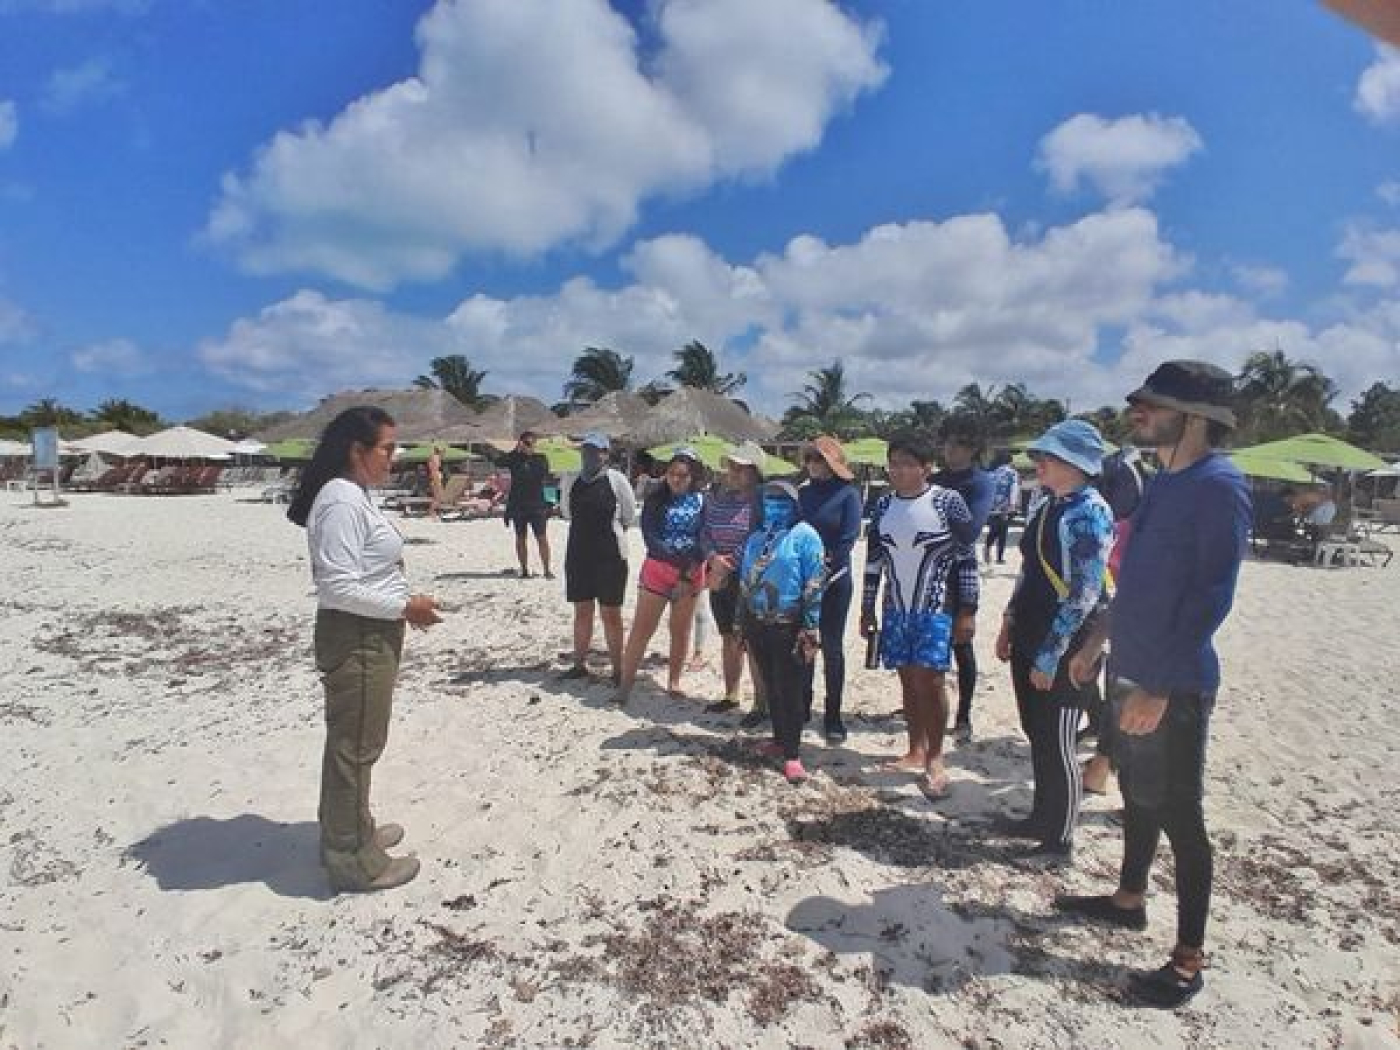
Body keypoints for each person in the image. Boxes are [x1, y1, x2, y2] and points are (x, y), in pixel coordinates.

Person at [1057, 360, 1252, 1009]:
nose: (1136, 411)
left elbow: (1211, 597)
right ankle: (1128, 898)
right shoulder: (1163, 483)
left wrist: (1160, 686)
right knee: (1138, 797)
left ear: (1194, 417)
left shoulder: (1218, 484)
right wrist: (1098, 638)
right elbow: (1136, 581)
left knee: (1182, 817)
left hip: (1176, 683)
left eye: (1151, 404)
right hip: (1130, 668)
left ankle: (1188, 963)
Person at [286, 406, 443, 894]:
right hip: (356, 634)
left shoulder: (353, 495)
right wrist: (404, 606)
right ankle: (352, 859)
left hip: (367, 631)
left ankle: (351, 830)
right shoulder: (339, 500)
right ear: (357, 450)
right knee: (355, 746)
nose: (393, 458)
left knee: (357, 742)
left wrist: (400, 608)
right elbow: (336, 587)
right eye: (386, 449)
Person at [993, 420, 1114, 865]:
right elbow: (1029, 571)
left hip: (1069, 645)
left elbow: (1084, 594)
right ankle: (1041, 819)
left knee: (1060, 740)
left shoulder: (1090, 511)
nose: (1038, 463)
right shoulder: (1047, 505)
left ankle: (1059, 840)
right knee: (1037, 733)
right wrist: (1009, 621)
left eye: (1049, 457)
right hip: (1031, 632)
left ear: (1075, 464)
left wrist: (1050, 654)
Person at [860, 431, 978, 799]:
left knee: (932, 681)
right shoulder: (882, 505)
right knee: (907, 679)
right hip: (896, 606)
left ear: (927, 467)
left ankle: (936, 757)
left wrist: (967, 610)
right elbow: (874, 560)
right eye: (893, 463)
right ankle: (915, 749)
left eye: (907, 464)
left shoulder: (947, 502)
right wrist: (866, 606)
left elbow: (967, 558)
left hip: (935, 606)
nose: (898, 470)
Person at [736, 480, 825, 784]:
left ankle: (793, 754)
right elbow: (745, 583)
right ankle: (777, 739)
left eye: (782, 501)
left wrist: (811, 626)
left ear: (795, 504)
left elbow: (814, 583)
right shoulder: (755, 538)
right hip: (758, 622)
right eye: (770, 500)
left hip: (790, 624)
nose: (775, 506)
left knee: (790, 690)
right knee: (770, 684)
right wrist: (741, 624)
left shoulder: (805, 536)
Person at [616, 449, 708, 703]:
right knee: (642, 630)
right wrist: (677, 563)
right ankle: (625, 685)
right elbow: (651, 537)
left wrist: (688, 570)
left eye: (683, 475)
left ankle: (674, 681)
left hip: (691, 573)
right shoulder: (655, 498)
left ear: (692, 477)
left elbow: (705, 537)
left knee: (680, 630)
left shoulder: (702, 501)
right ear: (666, 475)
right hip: (659, 570)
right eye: (672, 474)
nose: (677, 480)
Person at [932, 416, 995, 743]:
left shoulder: (981, 482)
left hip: (961, 572)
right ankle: (933, 702)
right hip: (930, 572)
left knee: (962, 643)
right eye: (946, 442)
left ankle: (964, 713)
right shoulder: (936, 478)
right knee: (932, 646)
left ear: (972, 449)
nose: (949, 449)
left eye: (957, 444)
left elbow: (970, 530)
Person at [798, 436, 863, 744]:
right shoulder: (803, 494)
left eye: (819, 460)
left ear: (833, 464)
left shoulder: (848, 494)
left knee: (833, 649)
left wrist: (825, 570)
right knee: (805, 642)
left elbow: (848, 539)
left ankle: (834, 714)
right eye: (810, 459)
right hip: (804, 579)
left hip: (836, 580)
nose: (813, 465)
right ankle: (803, 704)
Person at [559, 433, 636, 683]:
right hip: (578, 554)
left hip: (610, 556)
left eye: (597, 451)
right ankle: (579, 663)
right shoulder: (572, 480)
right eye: (587, 450)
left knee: (611, 613)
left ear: (606, 453)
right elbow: (567, 512)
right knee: (582, 610)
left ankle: (617, 669)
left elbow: (628, 515)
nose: (591, 455)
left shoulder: (617, 481)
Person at [698, 442, 765, 712]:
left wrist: (730, 563)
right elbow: (704, 531)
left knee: (750, 639)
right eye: (731, 467)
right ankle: (731, 694)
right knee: (728, 635)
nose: (733, 472)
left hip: (748, 575)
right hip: (718, 571)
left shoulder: (761, 501)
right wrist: (714, 559)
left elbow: (758, 536)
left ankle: (761, 703)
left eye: (740, 468)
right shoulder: (717, 497)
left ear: (754, 471)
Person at [499, 431, 552, 579]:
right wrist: (516, 451)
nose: (529, 446)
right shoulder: (514, 458)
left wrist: (527, 455)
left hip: (537, 505)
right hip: (518, 505)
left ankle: (547, 570)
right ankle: (524, 569)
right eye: (525, 443)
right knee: (520, 537)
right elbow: (498, 461)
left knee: (541, 537)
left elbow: (542, 473)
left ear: (535, 444)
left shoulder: (540, 458)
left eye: (531, 443)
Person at [984, 451, 1019, 565]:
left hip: (992, 507)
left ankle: (987, 547)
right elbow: (1014, 489)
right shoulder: (1012, 473)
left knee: (993, 530)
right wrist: (1013, 505)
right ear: (1009, 460)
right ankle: (999, 557)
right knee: (1003, 532)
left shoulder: (992, 473)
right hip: (1005, 507)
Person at [426, 444, 445, 519]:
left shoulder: (434, 457)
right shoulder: (435, 459)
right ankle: (432, 512)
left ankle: (435, 512)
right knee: (438, 497)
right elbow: (433, 470)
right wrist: (438, 483)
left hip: (435, 479)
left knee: (438, 497)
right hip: (435, 479)